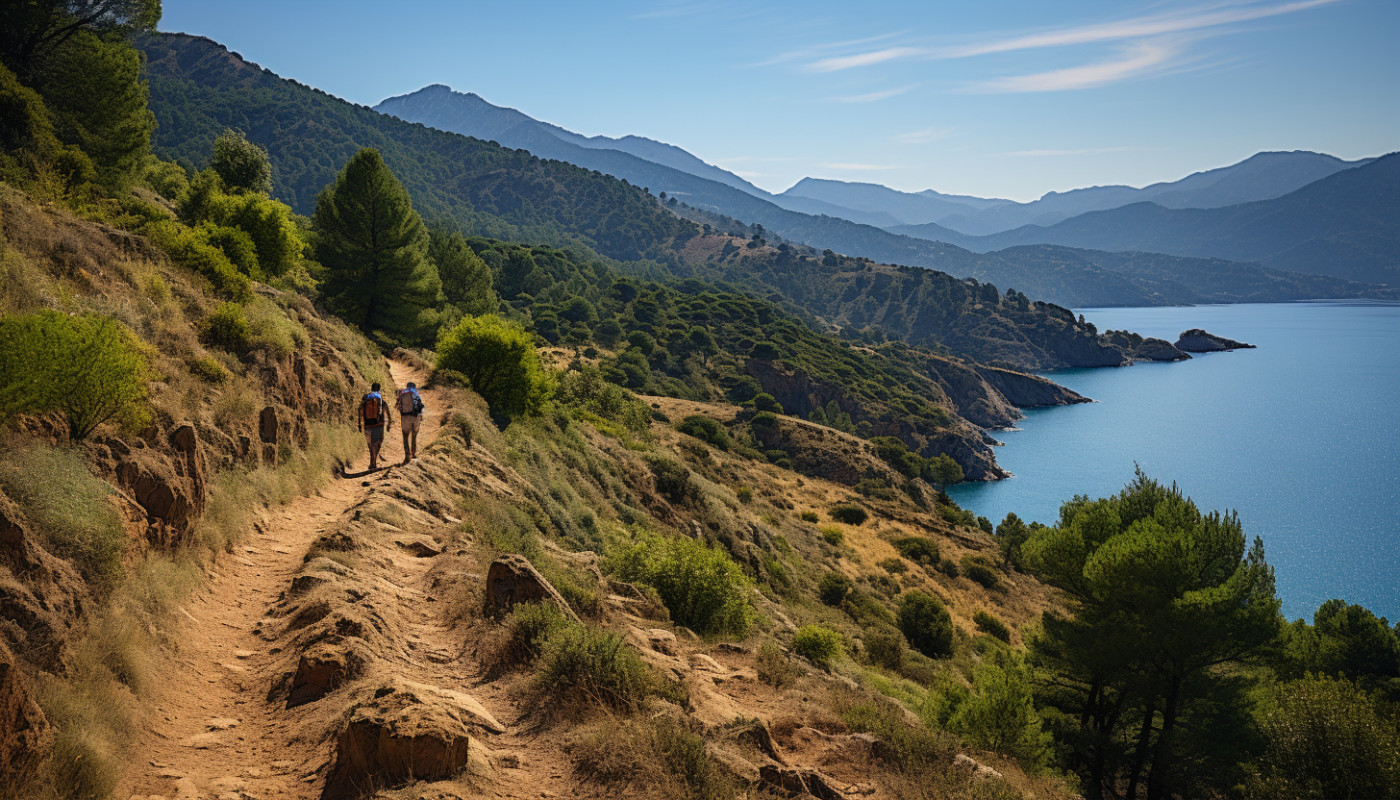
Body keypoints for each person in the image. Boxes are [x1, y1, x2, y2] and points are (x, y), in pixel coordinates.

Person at [358, 382, 392, 470]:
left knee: (370, 444)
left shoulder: (365, 398)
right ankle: (374, 461)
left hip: (367, 424)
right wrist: (389, 423)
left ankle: (371, 462)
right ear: (379, 389)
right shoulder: (381, 400)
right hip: (379, 424)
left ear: (371, 388)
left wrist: (359, 423)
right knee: (378, 443)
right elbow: (387, 412)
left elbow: (360, 410)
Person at [396, 381, 425, 463]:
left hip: (405, 417)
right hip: (415, 417)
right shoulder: (416, 393)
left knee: (405, 436)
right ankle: (414, 454)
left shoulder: (402, 393)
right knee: (414, 436)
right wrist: (421, 417)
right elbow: (420, 406)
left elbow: (398, 406)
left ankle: (407, 456)